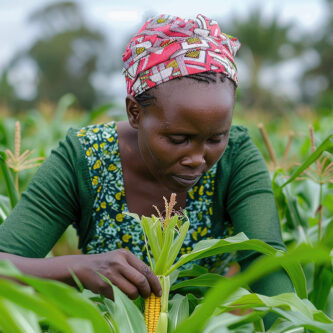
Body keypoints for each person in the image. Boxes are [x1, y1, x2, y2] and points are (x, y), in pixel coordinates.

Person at [0, 14, 293, 326]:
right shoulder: (83, 159)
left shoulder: (236, 157)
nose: (197, 158)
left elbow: (268, 266)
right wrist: (78, 270)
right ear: (134, 112)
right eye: (178, 139)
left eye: (215, 138)